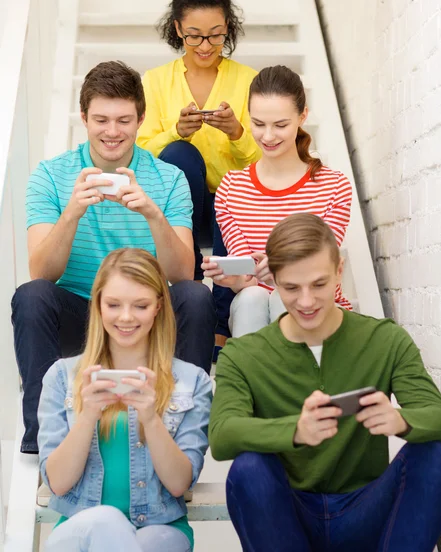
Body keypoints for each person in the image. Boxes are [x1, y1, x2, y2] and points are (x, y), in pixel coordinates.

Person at [11, 60, 216, 454]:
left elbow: (182, 273)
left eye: (123, 120)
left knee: (196, 296)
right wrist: (72, 212)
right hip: (82, 315)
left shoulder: (168, 178)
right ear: (84, 118)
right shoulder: (50, 176)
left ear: (141, 119)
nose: (112, 132)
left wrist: (153, 214)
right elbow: (42, 272)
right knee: (31, 295)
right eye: (101, 119)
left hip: (145, 311)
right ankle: (43, 447)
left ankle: (183, 442)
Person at [209, 213, 441, 552]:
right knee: (249, 468)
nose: (306, 301)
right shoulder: (243, 354)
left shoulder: (385, 339)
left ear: (339, 271)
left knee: (434, 451)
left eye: (319, 284)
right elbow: (222, 436)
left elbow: (434, 413)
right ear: (273, 281)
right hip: (290, 514)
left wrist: (401, 420)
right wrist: (296, 431)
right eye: (291, 287)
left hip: (368, 508)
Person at [39, 248, 212, 552]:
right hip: (79, 529)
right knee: (105, 521)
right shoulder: (62, 377)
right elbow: (58, 483)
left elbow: (179, 485)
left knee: (141, 541)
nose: (126, 317)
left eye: (140, 305)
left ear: (159, 307)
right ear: (98, 306)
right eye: (114, 305)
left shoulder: (191, 380)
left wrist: (150, 419)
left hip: (160, 528)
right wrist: (89, 414)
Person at [136, 0, 261, 348]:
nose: (205, 45)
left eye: (216, 34)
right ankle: (189, 284)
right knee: (180, 154)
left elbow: (262, 159)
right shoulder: (155, 82)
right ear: (177, 29)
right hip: (178, 209)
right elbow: (140, 152)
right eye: (194, 35)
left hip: (231, 209)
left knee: (232, 184)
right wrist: (177, 131)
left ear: (229, 28)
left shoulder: (249, 80)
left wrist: (238, 132)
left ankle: (221, 324)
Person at [203, 66, 352, 337]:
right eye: (259, 124)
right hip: (254, 310)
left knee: (280, 297)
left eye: (280, 125)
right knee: (252, 298)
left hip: (318, 310)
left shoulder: (334, 186)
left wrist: (282, 271)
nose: (268, 136)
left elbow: (321, 266)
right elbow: (247, 283)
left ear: (302, 116)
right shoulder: (231, 188)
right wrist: (233, 278)